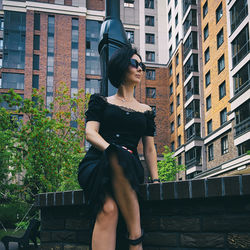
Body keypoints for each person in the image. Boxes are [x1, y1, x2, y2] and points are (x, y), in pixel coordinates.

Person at [78, 45, 159, 250]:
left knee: (109, 207)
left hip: (129, 167)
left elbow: (149, 149)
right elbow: (90, 133)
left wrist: (156, 179)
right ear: (122, 67)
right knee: (109, 208)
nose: (140, 68)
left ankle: (134, 237)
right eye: (135, 63)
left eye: (142, 65)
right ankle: (136, 240)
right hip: (97, 163)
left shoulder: (146, 110)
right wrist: (111, 150)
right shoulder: (101, 102)